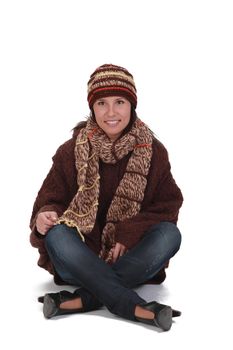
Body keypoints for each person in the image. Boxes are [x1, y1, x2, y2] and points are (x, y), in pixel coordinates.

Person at [30, 63, 183, 331]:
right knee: (56, 236)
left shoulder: (155, 152)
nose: (111, 112)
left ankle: (80, 300)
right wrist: (45, 216)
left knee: (170, 235)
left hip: (131, 258)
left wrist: (128, 234)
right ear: (92, 108)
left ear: (131, 106)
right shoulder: (70, 151)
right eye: (102, 103)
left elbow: (168, 206)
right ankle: (134, 307)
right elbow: (50, 199)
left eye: (120, 102)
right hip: (79, 258)